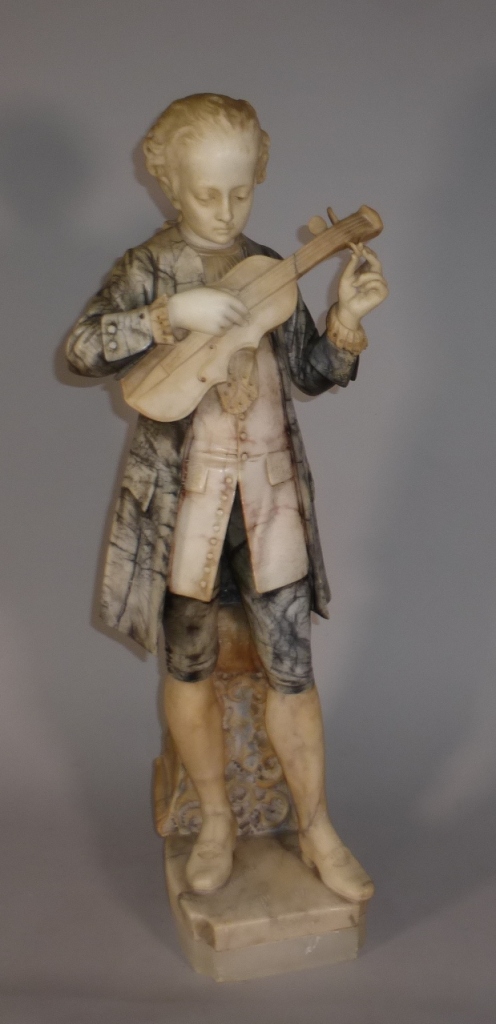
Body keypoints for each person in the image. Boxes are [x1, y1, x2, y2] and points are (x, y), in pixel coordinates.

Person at [66, 93, 388, 900]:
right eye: (206, 193)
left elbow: (310, 371)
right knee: (188, 668)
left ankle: (316, 826)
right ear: (167, 182)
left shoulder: (271, 262)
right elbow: (82, 349)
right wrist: (167, 313)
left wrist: (345, 320)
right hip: (186, 512)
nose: (224, 209)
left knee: (292, 671)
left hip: (269, 502)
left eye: (240, 192)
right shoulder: (148, 269)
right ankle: (214, 819)